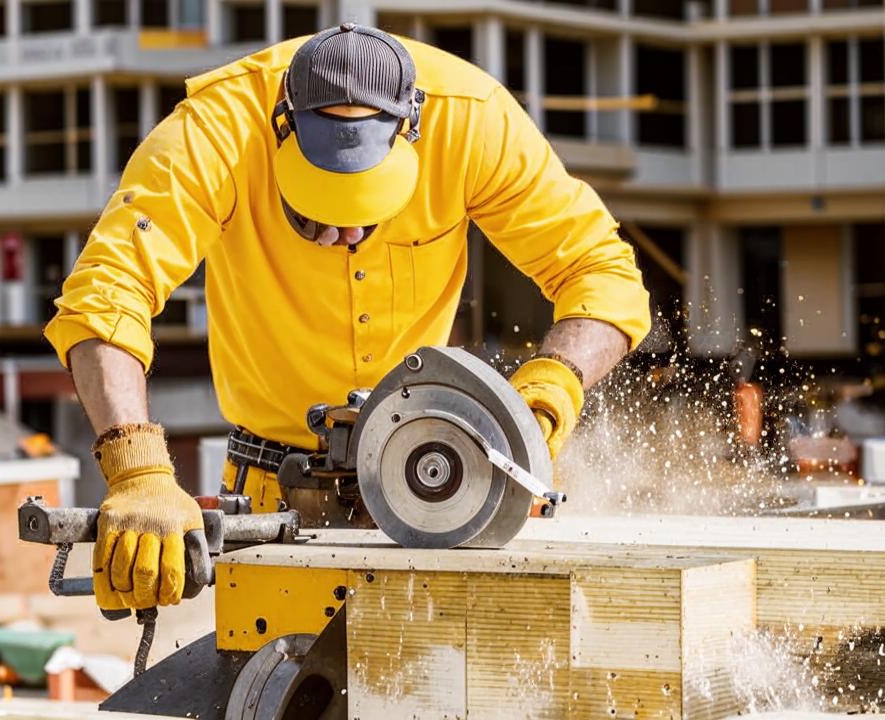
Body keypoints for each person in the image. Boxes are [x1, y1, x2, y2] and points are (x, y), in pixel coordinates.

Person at [44, 24, 652, 612]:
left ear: (410, 135)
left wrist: (552, 385)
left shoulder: (472, 119)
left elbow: (601, 271)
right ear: (281, 133)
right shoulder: (214, 130)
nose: (345, 234)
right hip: (272, 486)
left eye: (369, 212)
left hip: (436, 484)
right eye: (314, 214)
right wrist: (137, 466)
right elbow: (107, 291)